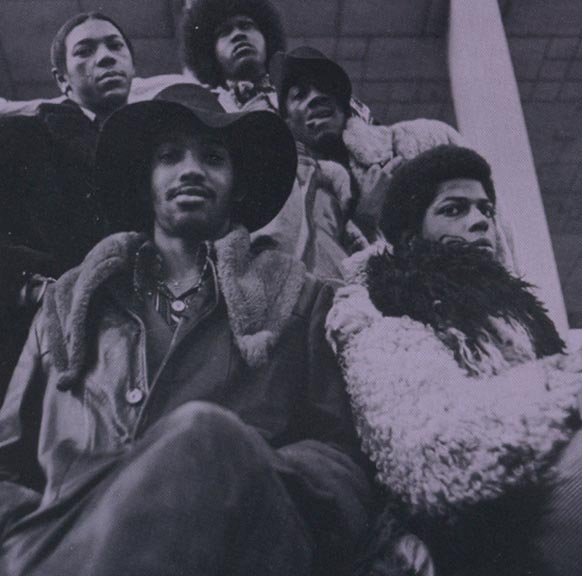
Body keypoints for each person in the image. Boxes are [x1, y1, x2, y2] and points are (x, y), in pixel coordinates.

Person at [0, 85, 374, 576]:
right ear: (145, 182)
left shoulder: (301, 297)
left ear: (237, 184)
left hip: (236, 546)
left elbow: (343, 465)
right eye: (170, 156)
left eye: (213, 157)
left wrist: (238, 463)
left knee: (205, 433)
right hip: (66, 544)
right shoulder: (68, 303)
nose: (191, 169)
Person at [326, 144, 582, 576]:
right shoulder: (379, 309)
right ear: (411, 236)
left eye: (485, 210)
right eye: (454, 209)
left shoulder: (522, 318)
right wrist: (565, 383)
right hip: (468, 535)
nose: (480, 220)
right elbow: (431, 447)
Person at [0, 12, 135, 402]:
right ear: (62, 80)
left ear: (132, 65)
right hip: (42, 349)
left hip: (134, 345)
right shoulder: (20, 138)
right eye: (85, 51)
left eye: (115, 46)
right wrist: (31, 288)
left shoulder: (158, 155)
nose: (105, 57)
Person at [253, 47, 463, 280]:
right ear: (287, 121)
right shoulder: (287, 193)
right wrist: (365, 220)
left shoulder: (417, 142)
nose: (316, 96)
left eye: (325, 86)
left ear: (345, 105)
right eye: (300, 95)